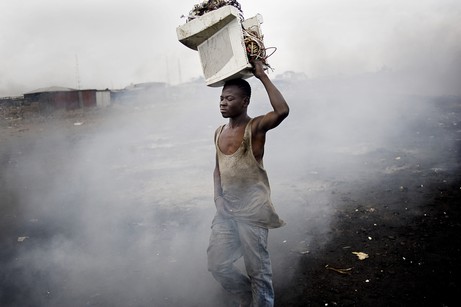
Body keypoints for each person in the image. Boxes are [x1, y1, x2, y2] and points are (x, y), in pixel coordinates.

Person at [207, 60, 289, 307]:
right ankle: (247, 295)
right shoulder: (219, 131)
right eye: (221, 98)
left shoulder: (255, 128)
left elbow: (282, 111)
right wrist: (218, 198)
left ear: (245, 102)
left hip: (253, 212)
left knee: (259, 273)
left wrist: (262, 75)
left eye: (230, 98)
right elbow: (218, 169)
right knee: (217, 264)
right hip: (227, 211)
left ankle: (260, 301)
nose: (223, 102)